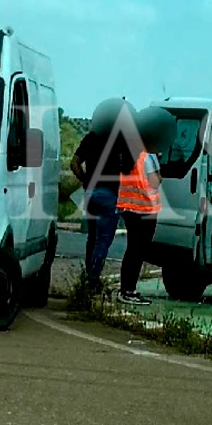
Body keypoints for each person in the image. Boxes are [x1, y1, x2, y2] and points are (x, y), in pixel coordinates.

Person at [70, 127, 134, 290]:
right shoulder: (121, 140)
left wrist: (85, 181)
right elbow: (128, 169)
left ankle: (88, 275)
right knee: (103, 239)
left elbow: (74, 163)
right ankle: (93, 279)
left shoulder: (91, 137)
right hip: (109, 194)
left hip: (91, 193)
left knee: (92, 237)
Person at [115, 147, 162, 305]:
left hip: (128, 207)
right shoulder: (148, 156)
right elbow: (155, 181)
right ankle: (129, 291)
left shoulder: (125, 154)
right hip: (145, 209)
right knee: (138, 252)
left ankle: (126, 289)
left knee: (132, 250)